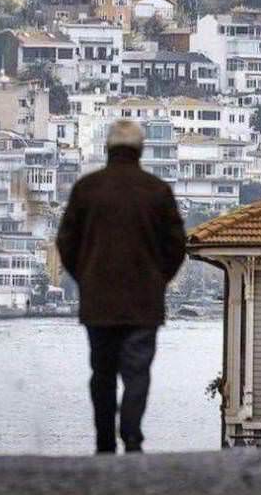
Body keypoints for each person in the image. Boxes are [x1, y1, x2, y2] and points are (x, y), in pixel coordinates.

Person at [56, 118, 186, 454]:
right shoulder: (157, 191)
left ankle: (103, 440)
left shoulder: (87, 189)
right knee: (136, 371)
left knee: (102, 372)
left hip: (99, 300)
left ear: (108, 149)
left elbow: (66, 242)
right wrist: (159, 279)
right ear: (140, 150)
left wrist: (85, 276)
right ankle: (131, 435)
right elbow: (176, 246)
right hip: (144, 301)